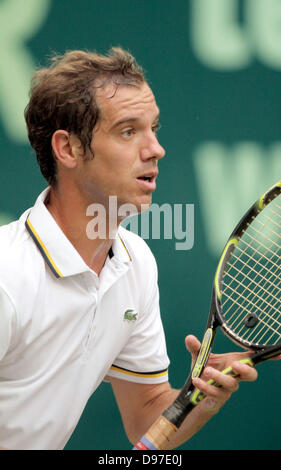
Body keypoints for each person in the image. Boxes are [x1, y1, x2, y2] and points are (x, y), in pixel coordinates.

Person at [0, 47, 257, 450]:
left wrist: (197, 400)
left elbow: (145, 414)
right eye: (128, 130)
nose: (155, 149)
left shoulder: (134, 263)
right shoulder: (6, 279)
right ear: (67, 149)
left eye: (154, 128)